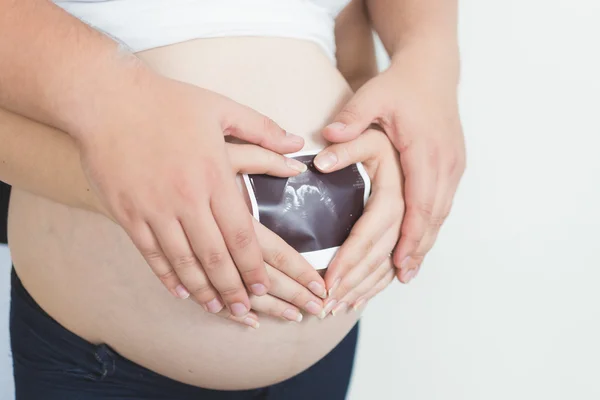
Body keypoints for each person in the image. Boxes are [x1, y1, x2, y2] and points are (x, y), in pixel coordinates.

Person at [0, 0, 464, 399]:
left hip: (324, 349)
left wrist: (426, 76)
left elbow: (357, 64)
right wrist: (111, 182)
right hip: (105, 366)